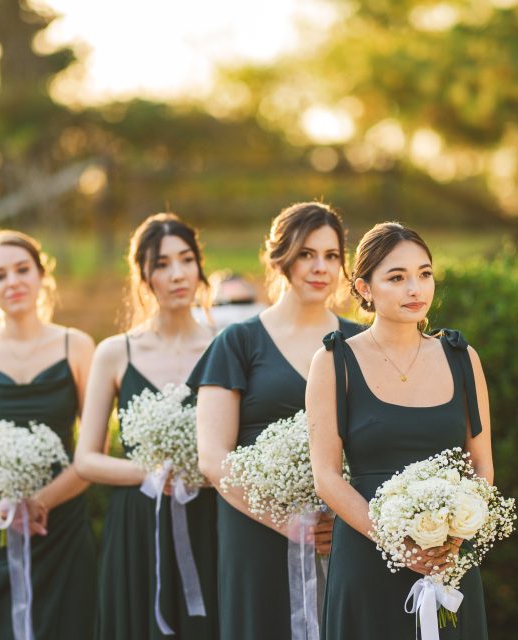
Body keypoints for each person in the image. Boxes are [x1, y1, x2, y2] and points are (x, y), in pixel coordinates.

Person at [307, 222, 493, 639]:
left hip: (449, 559)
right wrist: (399, 546)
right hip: (367, 556)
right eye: (397, 277)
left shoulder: (462, 358)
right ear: (364, 288)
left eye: (424, 274)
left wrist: (455, 539)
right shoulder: (334, 362)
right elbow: (327, 476)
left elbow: (481, 464)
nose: (416, 289)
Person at [188, 202, 363, 640]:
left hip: (342, 532)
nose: (320, 267)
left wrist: (339, 519)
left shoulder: (362, 342)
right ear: (279, 257)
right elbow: (212, 457)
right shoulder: (238, 342)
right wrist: (287, 522)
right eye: (306, 254)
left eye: (331, 256)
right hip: (255, 531)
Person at [0, 229, 97, 640]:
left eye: (22, 269)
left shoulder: (76, 346)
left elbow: (94, 447)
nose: (13, 282)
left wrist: (39, 503)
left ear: (42, 274)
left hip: (59, 524)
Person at [74, 213, 218, 640]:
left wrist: (200, 475)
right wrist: (154, 476)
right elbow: (86, 459)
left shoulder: (228, 345)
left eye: (186, 260)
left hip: (210, 517)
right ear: (143, 276)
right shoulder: (114, 353)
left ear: (199, 266)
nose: (177, 274)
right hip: (137, 522)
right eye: (161, 264)